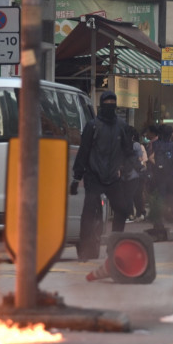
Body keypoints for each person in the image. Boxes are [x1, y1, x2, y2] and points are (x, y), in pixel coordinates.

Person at [71, 91, 136, 260]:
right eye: (107, 101)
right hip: (93, 176)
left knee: (122, 210)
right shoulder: (92, 126)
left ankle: (115, 246)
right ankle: (85, 249)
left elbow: (128, 151)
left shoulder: (122, 126)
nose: (110, 104)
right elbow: (83, 152)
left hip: (113, 177)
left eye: (113, 101)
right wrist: (76, 177)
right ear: (101, 104)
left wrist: (138, 169)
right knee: (88, 213)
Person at [123, 125, 147, 222]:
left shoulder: (121, 144)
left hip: (123, 173)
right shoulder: (136, 145)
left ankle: (128, 214)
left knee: (126, 195)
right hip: (134, 174)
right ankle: (132, 214)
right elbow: (140, 159)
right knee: (133, 194)